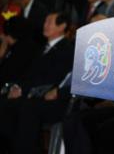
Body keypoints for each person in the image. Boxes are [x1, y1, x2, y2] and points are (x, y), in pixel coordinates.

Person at [0, 12, 74, 154]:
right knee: (5, 102)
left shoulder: (67, 50)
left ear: (62, 26)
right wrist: (17, 87)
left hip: (51, 98)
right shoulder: (42, 48)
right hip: (32, 93)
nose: (44, 26)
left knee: (26, 108)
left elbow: (52, 79)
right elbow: (28, 74)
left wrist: (24, 91)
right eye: (45, 22)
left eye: (49, 22)